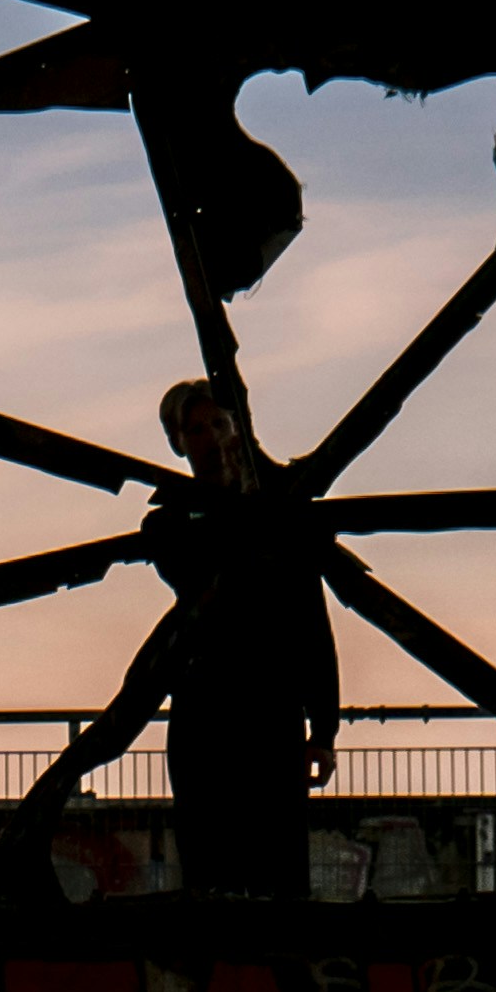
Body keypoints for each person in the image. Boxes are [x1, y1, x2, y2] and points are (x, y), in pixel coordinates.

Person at [148, 381, 339, 900]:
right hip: (207, 716)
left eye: (220, 425)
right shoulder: (168, 524)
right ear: (178, 443)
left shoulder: (279, 518)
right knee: (212, 875)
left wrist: (323, 728)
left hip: (271, 715)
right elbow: (197, 578)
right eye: (196, 429)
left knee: (278, 877)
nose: (210, 437)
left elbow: (310, 620)